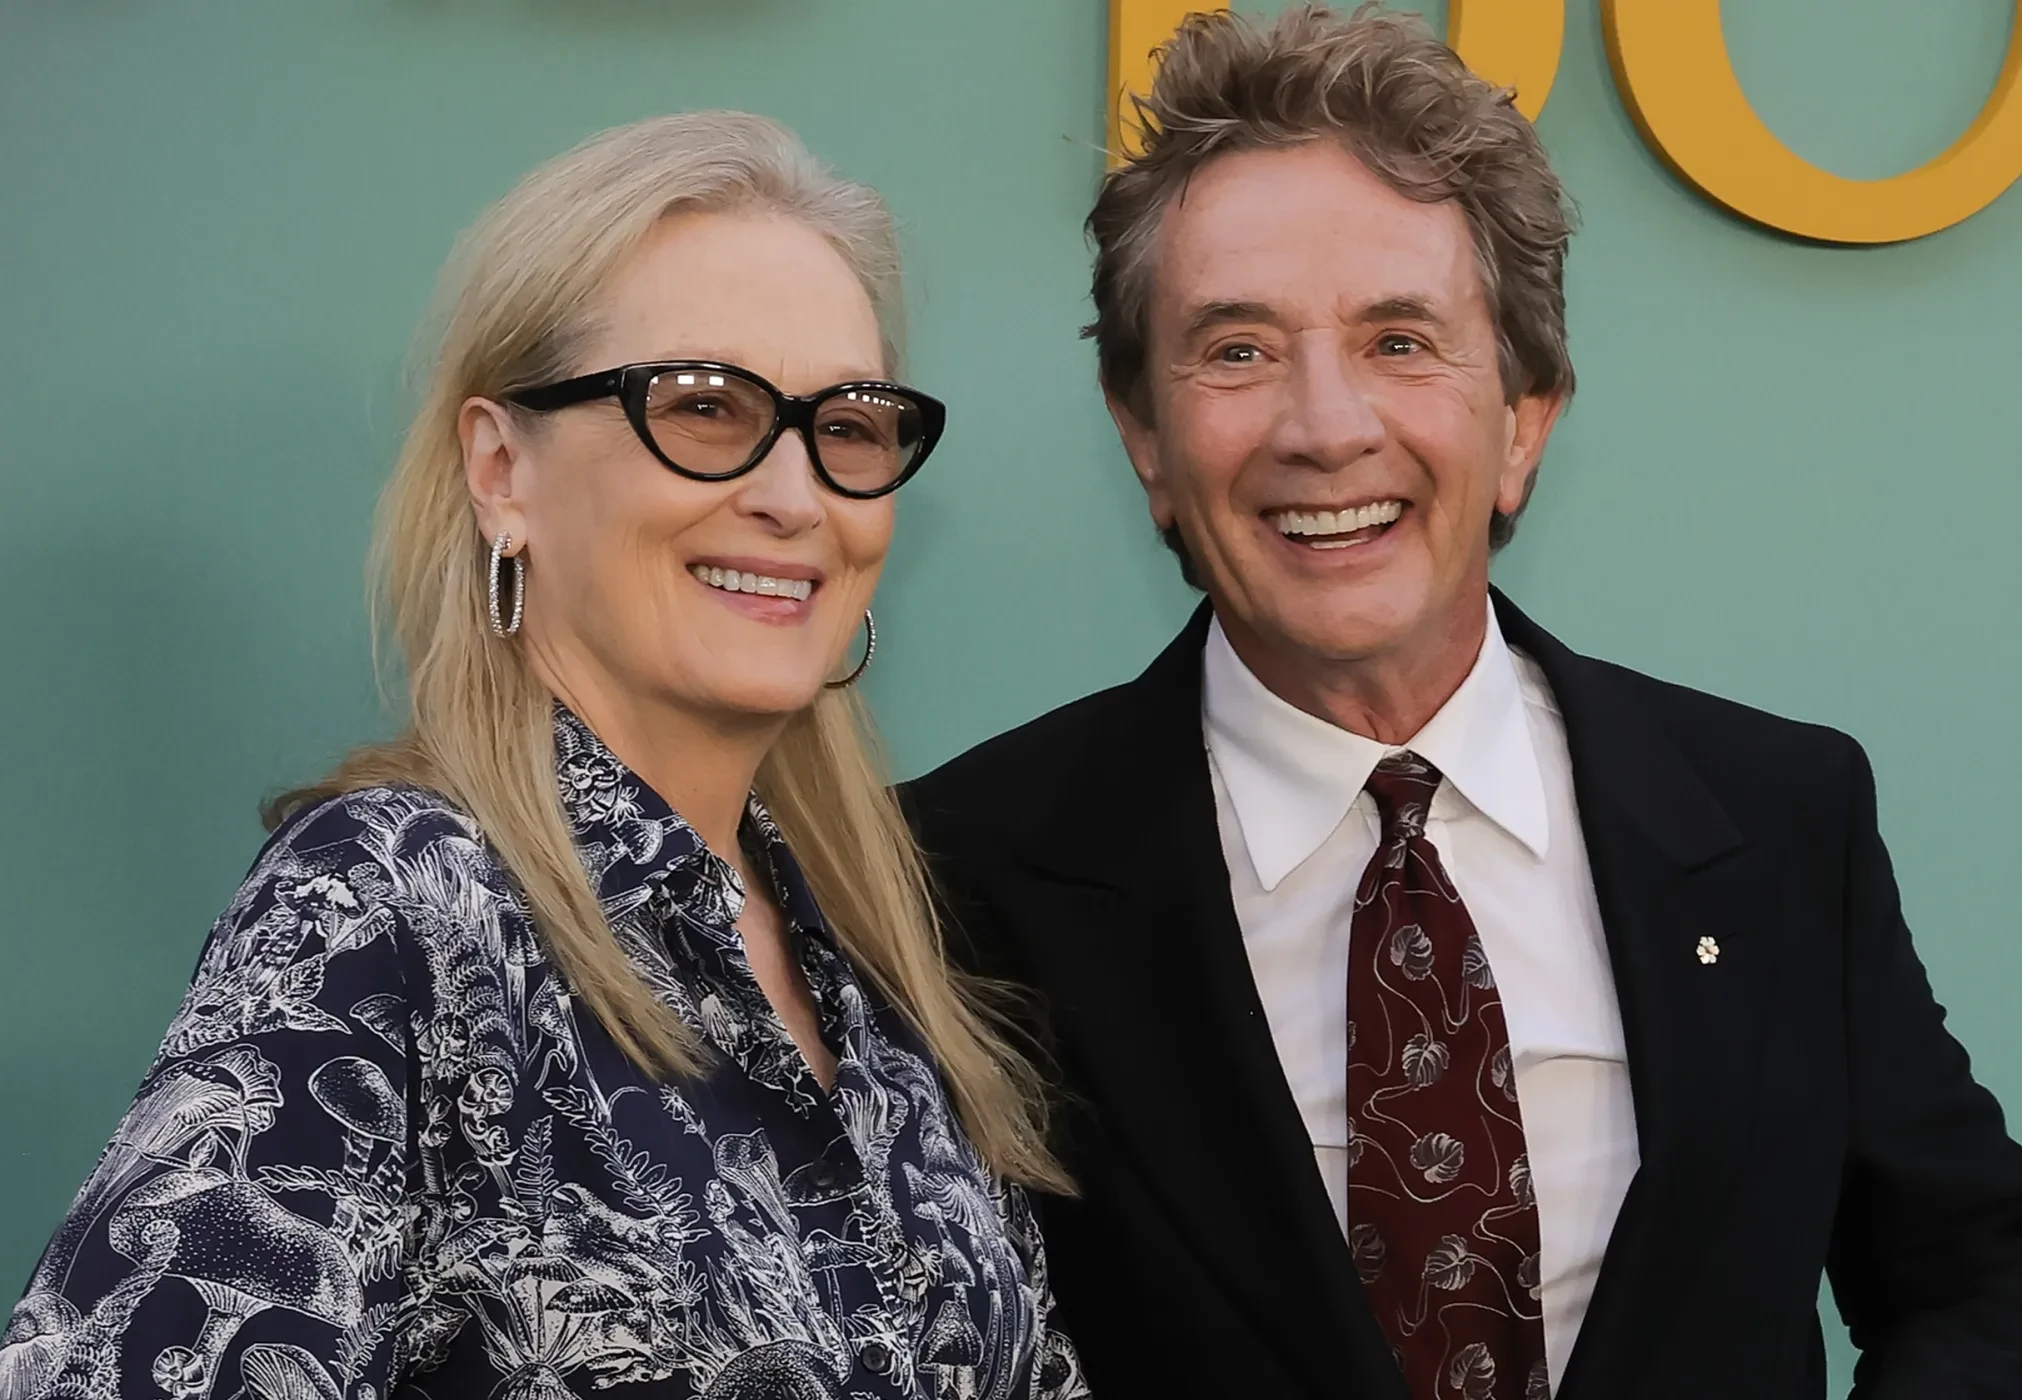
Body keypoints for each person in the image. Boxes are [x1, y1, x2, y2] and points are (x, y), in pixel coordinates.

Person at [903, 8, 2022, 1399]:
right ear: (1144, 436)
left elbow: (1980, 1274)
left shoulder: (1780, 817)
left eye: (1399, 340)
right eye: (1236, 350)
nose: (1325, 427)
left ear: (1525, 417)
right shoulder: (953, 880)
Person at [1, 112, 1085, 1400]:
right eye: (705, 407)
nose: (796, 497)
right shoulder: (393, 911)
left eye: (847, 426)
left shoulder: (872, 970)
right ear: (503, 468)